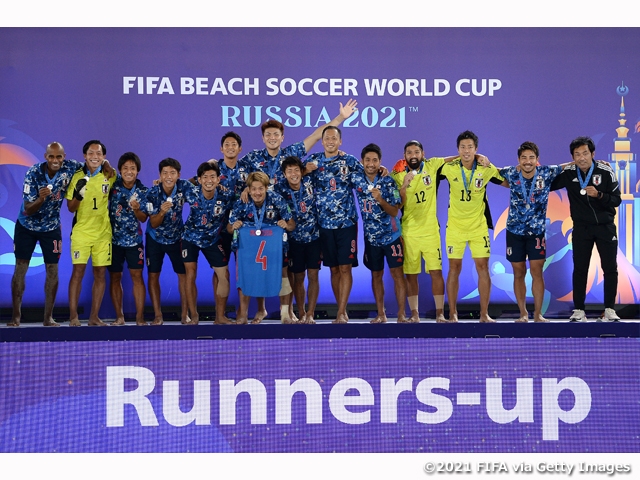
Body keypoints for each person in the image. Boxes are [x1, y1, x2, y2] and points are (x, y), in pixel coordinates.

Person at [239, 100, 357, 322]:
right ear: (263, 138)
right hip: (263, 221)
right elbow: (232, 168)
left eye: (276, 135)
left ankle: (293, 311)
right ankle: (262, 308)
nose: (272, 138)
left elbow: (316, 135)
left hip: (291, 227)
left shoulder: (291, 153)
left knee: (290, 272)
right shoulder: (253, 158)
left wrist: (340, 118)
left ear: (282, 137)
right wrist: (219, 168)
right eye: (268, 135)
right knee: (264, 266)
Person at [9, 142, 84, 327]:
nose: (55, 160)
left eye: (59, 156)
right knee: (20, 268)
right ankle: (16, 317)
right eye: (51, 156)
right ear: (45, 156)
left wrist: (106, 164)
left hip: (51, 229)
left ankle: (48, 318)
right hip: (26, 226)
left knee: (53, 269)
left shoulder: (70, 167)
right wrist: (41, 199)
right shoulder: (33, 174)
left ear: (64, 156)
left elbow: (91, 165)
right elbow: (28, 209)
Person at [550, 136, 621, 322]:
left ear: (593, 154)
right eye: (577, 154)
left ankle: (609, 310)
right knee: (580, 269)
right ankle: (579, 310)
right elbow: (548, 184)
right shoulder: (569, 172)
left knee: (610, 268)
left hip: (605, 227)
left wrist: (599, 195)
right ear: (572, 157)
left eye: (585, 153)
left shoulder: (605, 171)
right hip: (581, 228)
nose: (582, 158)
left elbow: (617, 199)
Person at [390, 141, 461, 323]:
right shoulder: (397, 174)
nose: (413, 155)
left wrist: (477, 157)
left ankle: (439, 313)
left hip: (431, 232)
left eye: (416, 151)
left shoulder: (433, 165)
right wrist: (404, 184)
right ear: (404, 155)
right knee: (411, 275)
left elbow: (453, 159)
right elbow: (396, 203)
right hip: (409, 232)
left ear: (423, 153)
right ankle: (414, 314)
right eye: (409, 152)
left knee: (436, 272)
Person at [438, 131, 505, 323]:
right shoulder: (449, 168)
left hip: (478, 227)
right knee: (454, 268)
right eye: (462, 147)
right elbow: (429, 165)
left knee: (483, 267)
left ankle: (484, 314)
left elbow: (507, 180)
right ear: (457, 149)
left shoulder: (486, 167)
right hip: (455, 228)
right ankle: (452, 314)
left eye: (470, 147)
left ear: (476, 149)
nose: (466, 151)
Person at [498, 141, 566, 323]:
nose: (527, 161)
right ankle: (522, 314)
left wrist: (598, 163)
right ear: (518, 160)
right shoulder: (511, 173)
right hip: (514, 232)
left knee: (537, 272)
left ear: (537, 160)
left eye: (531, 158)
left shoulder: (546, 172)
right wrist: (480, 159)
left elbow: (568, 165)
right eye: (524, 158)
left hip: (536, 233)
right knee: (518, 273)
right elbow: (490, 171)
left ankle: (538, 315)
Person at [304, 126, 362, 324]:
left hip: (347, 224)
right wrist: (304, 170)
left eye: (334, 138)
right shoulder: (314, 162)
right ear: (322, 141)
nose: (330, 141)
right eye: (326, 138)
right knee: (334, 269)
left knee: (346, 268)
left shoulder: (350, 161)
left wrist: (381, 170)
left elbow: (367, 177)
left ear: (340, 142)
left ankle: (342, 312)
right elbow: (295, 178)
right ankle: (340, 308)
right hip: (324, 225)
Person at [227, 171, 295, 324]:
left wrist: (285, 225)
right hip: (250, 245)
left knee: (283, 273)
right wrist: (234, 226)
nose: (257, 193)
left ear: (266, 188)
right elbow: (229, 228)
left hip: (274, 245)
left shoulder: (277, 199)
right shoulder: (242, 201)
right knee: (247, 275)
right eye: (254, 189)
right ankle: (243, 314)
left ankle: (285, 314)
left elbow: (291, 224)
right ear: (248, 190)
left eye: (261, 189)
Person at [66, 140, 117, 326]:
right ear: (84, 156)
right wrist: (78, 195)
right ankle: (73, 317)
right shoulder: (76, 176)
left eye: (98, 154)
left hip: (103, 234)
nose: (94, 156)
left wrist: (107, 164)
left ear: (103, 156)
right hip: (81, 233)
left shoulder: (109, 175)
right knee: (77, 272)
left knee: (100, 274)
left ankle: (94, 317)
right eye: (90, 153)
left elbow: (111, 172)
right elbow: (71, 208)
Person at [353, 144, 406, 323]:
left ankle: (401, 314)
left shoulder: (388, 181)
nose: (371, 163)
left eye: (375, 160)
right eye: (367, 160)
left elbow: (394, 212)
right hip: (371, 239)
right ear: (362, 162)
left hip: (391, 237)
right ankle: (381, 314)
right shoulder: (357, 179)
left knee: (398, 274)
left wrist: (380, 200)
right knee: (376, 275)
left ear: (380, 162)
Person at [140, 157, 195, 325]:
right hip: (155, 238)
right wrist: (162, 212)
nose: (169, 176)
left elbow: (199, 181)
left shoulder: (184, 186)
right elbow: (154, 223)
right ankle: (158, 315)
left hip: (177, 238)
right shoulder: (152, 193)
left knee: (183, 276)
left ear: (179, 175)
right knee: (153, 275)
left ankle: (185, 314)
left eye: (172, 173)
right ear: (160, 175)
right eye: (165, 173)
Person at [182, 161, 235, 325]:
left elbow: (239, 206)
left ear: (219, 179)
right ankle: (194, 316)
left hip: (212, 239)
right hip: (190, 238)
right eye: (205, 177)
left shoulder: (226, 195)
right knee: (190, 275)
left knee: (224, 275)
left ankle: (220, 317)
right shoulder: (191, 191)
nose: (209, 180)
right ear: (199, 180)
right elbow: (174, 183)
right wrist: (158, 183)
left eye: (213, 177)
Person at [275, 156, 321, 324]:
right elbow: (260, 187)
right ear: (284, 174)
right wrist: (245, 190)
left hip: (314, 237)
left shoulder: (310, 181)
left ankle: (310, 313)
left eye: (296, 170)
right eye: (289, 171)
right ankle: (301, 312)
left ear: (302, 171)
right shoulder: (279, 189)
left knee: (314, 275)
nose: (293, 174)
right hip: (293, 240)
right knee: (298, 277)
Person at [107, 152, 149, 326]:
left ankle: (140, 317)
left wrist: (137, 209)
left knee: (137, 277)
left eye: (132, 168)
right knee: (115, 278)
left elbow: (143, 218)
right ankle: (120, 317)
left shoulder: (143, 191)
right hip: (113, 241)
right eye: (125, 168)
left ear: (138, 171)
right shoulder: (112, 185)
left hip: (134, 242)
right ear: (119, 170)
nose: (129, 171)